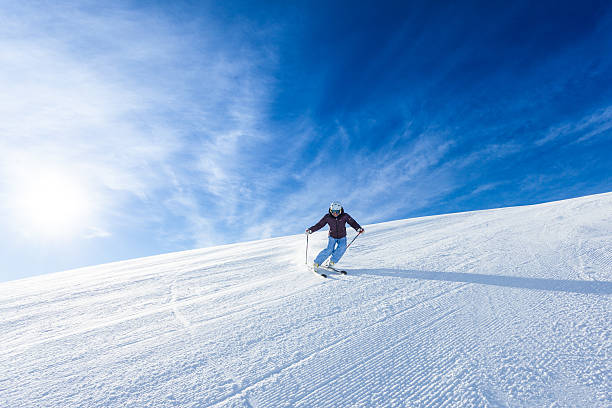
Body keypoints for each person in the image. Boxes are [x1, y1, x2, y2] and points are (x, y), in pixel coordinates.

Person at [306, 201, 364, 268]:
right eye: (333, 211)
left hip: (342, 237)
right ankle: (317, 263)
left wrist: (358, 228)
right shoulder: (327, 217)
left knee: (342, 248)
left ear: (340, 210)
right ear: (330, 210)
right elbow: (320, 225)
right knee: (329, 250)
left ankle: (332, 262)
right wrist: (311, 230)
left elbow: (352, 222)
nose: (335, 213)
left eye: (337, 211)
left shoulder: (345, 216)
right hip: (332, 237)